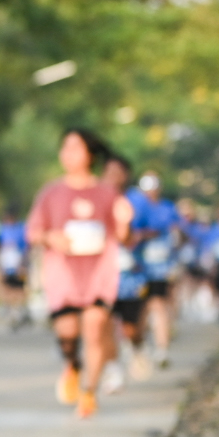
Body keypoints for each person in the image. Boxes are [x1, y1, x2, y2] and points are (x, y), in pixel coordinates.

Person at [27, 129, 135, 419]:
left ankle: (89, 392)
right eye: (65, 147)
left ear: (90, 154)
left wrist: (125, 222)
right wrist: (50, 238)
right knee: (67, 332)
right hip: (63, 276)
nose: (68, 154)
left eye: (75, 148)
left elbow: (124, 237)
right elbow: (33, 232)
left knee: (95, 330)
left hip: (99, 274)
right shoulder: (51, 192)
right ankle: (72, 365)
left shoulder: (108, 193)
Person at [103, 153, 150, 385]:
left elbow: (155, 230)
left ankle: (137, 347)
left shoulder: (139, 201)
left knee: (131, 327)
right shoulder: (96, 198)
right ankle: (113, 368)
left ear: (126, 175)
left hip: (133, 272)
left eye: (118, 172)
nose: (113, 177)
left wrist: (132, 235)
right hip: (103, 275)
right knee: (104, 322)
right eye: (109, 172)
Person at [135, 172, 181, 367]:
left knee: (159, 304)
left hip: (161, 267)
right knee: (141, 309)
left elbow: (177, 232)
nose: (151, 193)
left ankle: (162, 349)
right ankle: (138, 346)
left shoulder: (167, 208)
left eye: (154, 188)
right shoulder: (135, 207)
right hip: (137, 267)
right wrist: (146, 234)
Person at [0, 212, 31, 329]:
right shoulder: (2, 229)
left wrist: (23, 264)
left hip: (20, 264)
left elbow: (26, 247)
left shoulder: (22, 229)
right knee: (7, 287)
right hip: (6, 265)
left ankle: (20, 310)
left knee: (20, 287)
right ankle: (10, 310)